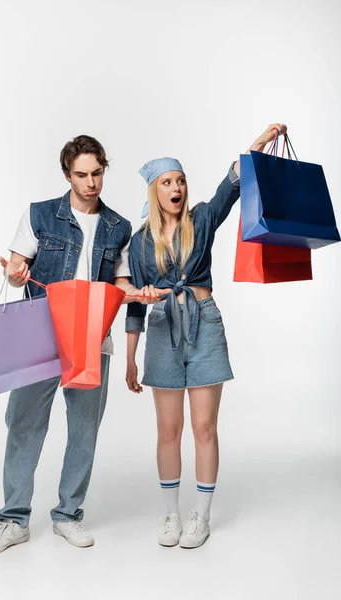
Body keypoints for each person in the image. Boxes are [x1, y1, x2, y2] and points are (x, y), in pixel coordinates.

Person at [0, 134, 155, 557]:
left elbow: (121, 283)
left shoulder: (119, 227)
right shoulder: (40, 215)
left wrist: (136, 294)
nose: (91, 182)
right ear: (67, 175)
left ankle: (68, 515)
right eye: (82, 175)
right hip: (40, 334)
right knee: (23, 424)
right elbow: (18, 267)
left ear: (103, 171)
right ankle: (14, 520)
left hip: (93, 337)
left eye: (97, 173)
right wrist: (16, 276)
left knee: (83, 430)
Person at [125, 123, 287, 549]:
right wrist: (129, 357)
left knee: (204, 427)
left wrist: (256, 147)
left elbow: (229, 187)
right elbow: (133, 306)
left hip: (205, 324)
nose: (176, 187)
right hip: (161, 328)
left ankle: (201, 516)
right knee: (168, 429)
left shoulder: (201, 218)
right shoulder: (140, 242)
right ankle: (170, 516)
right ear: (155, 192)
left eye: (180, 180)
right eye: (167, 182)